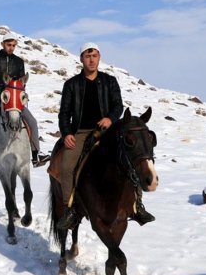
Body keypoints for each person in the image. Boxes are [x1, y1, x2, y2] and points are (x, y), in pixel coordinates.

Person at [54, 42, 155, 229]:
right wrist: (67, 133)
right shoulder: (71, 85)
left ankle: (137, 204)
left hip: (108, 130)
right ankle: (70, 210)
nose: (91, 60)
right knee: (67, 166)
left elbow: (118, 105)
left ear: (99, 58)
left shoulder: (109, 81)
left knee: (133, 159)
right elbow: (64, 113)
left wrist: (110, 118)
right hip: (82, 132)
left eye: (94, 56)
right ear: (81, 59)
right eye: (87, 56)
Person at [0, 33, 50, 169]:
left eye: (14, 45)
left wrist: (20, 94)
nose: (11, 48)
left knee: (32, 121)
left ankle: (36, 154)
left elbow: (21, 82)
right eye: (9, 45)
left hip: (14, 102)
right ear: (2, 44)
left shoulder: (19, 62)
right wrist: (0, 90)